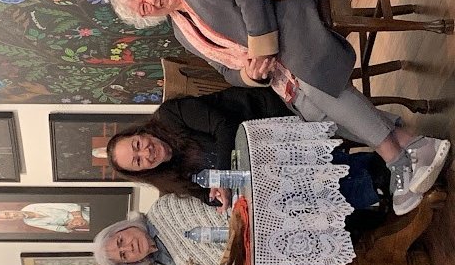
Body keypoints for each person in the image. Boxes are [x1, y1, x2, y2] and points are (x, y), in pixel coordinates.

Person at [109, 0, 450, 214]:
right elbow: (224, 72)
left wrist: (261, 41)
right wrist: (249, 73)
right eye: (143, 8)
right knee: (307, 110)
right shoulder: (183, 32)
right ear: (147, 18)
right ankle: (412, 143)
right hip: (274, 56)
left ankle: (394, 156)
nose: (149, 0)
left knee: (309, 81)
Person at [108, 86, 389, 214]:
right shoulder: (169, 181)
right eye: (138, 162)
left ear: (140, 132)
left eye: (137, 145)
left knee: (289, 177)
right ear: (144, 171)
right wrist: (219, 199)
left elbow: (225, 126)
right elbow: (208, 198)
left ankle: (377, 175)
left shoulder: (170, 115)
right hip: (260, 169)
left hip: (266, 117)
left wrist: (221, 178)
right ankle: (372, 182)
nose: (146, 153)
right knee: (284, 203)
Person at [93, 194, 229, 265]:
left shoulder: (164, 209)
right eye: (123, 255)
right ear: (130, 263)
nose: (130, 248)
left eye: (121, 241)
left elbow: (225, 220)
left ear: (123, 227)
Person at [0, 203, 90, 233]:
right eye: (9, 218)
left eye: (8, 214)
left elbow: (67, 206)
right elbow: (59, 228)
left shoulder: (32, 206)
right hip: (79, 224)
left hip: (81, 213)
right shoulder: (29, 223)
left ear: (10, 210)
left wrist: (77, 217)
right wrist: (71, 225)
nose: (12, 216)